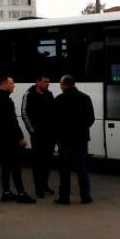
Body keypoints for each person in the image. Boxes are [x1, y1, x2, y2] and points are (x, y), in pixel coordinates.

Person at [0, 75, 36, 204]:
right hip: (9, 138)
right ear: (4, 84)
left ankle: (6, 192)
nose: (13, 86)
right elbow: (11, 121)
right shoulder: (5, 100)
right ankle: (21, 193)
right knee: (16, 166)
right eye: (12, 83)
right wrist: (20, 137)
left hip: (1, 136)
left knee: (6, 166)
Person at [54, 74, 95, 205]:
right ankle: (85, 196)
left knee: (64, 170)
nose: (60, 86)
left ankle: (64, 197)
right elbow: (91, 118)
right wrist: (81, 128)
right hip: (81, 138)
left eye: (61, 84)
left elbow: (54, 120)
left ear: (65, 84)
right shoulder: (85, 98)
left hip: (65, 139)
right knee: (82, 169)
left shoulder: (59, 99)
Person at [21, 75, 56, 199]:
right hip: (37, 136)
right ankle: (38, 188)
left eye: (48, 81)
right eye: (45, 81)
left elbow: (54, 113)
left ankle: (45, 185)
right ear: (38, 82)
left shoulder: (49, 94)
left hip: (50, 135)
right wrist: (33, 131)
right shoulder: (29, 94)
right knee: (38, 163)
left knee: (48, 162)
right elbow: (24, 114)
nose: (48, 84)